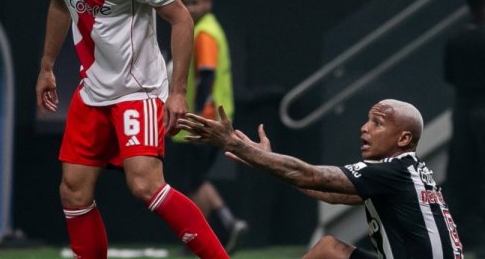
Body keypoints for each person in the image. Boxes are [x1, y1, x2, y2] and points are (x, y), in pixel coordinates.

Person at [35, 0, 228, 259]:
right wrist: (47, 66)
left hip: (138, 88)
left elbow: (182, 19)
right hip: (93, 89)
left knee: (144, 186)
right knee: (72, 189)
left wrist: (176, 93)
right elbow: (60, 1)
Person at [177, 99, 464, 258]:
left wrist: (234, 144)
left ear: (403, 138)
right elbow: (327, 191)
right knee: (329, 249)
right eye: (367, 119)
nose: (364, 128)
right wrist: (265, 162)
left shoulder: (394, 170)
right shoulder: (405, 173)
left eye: (377, 123)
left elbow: (311, 175)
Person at [165, 0, 248, 254]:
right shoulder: (203, 28)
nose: (190, 7)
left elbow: (207, 76)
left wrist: (197, 117)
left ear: (208, 3)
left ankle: (195, 240)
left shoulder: (203, 32)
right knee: (196, 179)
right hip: (210, 117)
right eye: (186, 1)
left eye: (195, 1)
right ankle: (228, 222)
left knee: (190, 182)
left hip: (204, 120)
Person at [443, 0, 485, 258]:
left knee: (462, 174)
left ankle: (462, 236)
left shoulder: (455, 38)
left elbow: (449, 76)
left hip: (462, 109)